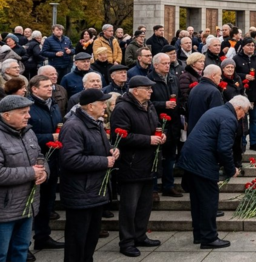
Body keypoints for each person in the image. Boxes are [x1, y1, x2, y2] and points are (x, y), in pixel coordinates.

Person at [178, 96, 250, 250]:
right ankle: (209, 238)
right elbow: (224, 148)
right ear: (238, 108)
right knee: (209, 201)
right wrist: (231, 170)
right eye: (244, 112)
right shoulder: (229, 118)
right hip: (202, 162)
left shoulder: (217, 111)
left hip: (191, 159)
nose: (243, 116)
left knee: (197, 201)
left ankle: (199, 234)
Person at [59, 88, 119, 262]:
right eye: (102, 103)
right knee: (77, 240)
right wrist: (104, 161)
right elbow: (71, 159)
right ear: (91, 106)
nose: (105, 106)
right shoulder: (73, 126)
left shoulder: (95, 123)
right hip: (81, 192)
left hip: (95, 190)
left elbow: (96, 148)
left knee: (90, 239)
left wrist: (111, 150)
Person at [110, 76, 166, 258]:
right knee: (129, 206)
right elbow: (120, 137)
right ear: (135, 91)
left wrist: (161, 134)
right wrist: (148, 140)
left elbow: (156, 125)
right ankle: (126, 242)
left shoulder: (149, 105)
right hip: (131, 164)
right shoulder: (123, 108)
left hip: (148, 162)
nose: (151, 91)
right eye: (147, 88)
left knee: (144, 204)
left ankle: (140, 236)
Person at [0, 96, 49, 262]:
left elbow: (40, 157)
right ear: (6, 115)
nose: (28, 116)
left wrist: (44, 172)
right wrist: (31, 172)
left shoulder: (28, 132)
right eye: (23, 113)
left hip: (27, 206)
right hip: (4, 211)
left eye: (28, 112)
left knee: (20, 250)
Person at [25, 75, 64, 254]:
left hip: (52, 160)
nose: (50, 88)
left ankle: (43, 237)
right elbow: (26, 135)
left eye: (51, 86)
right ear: (34, 89)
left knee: (47, 202)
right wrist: (50, 137)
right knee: (31, 204)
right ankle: (24, 245)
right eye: (46, 86)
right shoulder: (28, 108)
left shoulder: (53, 105)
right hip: (34, 162)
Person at [147, 53, 181, 198]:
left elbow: (179, 98)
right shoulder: (149, 80)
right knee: (156, 157)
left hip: (173, 124)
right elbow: (147, 102)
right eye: (164, 63)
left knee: (170, 157)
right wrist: (163, 104)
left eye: (168, 63)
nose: (168, 65)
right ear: (155, 65)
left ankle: (169, 186)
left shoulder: (173, 78)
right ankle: (153, 189)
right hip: (157, 124)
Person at [233, 38, 256, 152]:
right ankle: (242, 142)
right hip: (242, 95)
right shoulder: (236, 59)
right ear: (243, 47)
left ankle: (254, 142)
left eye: (252, 45)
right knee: (242, 120)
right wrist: (244, 76)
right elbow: (233, 73)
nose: (251, 47)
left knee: (255, 119)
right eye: (248, 45)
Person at [186, 65, 224, 135]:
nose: (221, 78)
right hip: (207, 133)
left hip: (193, 131)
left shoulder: (194, 88)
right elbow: (217, 116)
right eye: (219, 75)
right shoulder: (214, 92)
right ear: (213, 75)